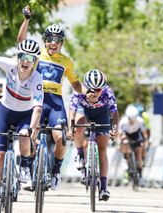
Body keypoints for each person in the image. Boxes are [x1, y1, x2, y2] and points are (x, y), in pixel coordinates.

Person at [17, 5, 85, 190]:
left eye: (57, 40)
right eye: (49, 39)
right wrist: (27, 20)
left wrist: (89, 92)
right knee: (32, 135)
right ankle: (28, 169)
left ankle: (55, 171)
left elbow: (76, 84)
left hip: (55, 102)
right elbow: (21, 40)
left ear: (61, 43)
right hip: (37, 99)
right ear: (45, 40)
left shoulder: (67, 62)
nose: (52, 43)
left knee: (61, 137)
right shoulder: (37, 53)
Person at [0, 29, 43, 213]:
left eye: (30, 59)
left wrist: (30, 130)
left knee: (24, 137)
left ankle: (25, 165)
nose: (25, 61)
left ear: (35, 62)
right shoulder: (10, 65)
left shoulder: (37, 79)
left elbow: (37, 108)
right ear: (18, 56)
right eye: (23, 56)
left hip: (25, 114)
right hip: (4, 111)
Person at [67, 69, 119, 201]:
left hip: (101, 114)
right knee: (78, 128)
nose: (95, 92)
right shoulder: (79, 90)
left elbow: (114, 112)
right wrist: (71, 127)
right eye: (92, 89)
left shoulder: (107, 92)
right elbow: (72, 110)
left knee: (102, 148)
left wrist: (115, 127)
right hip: (83, 111)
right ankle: (80, 153)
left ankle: (103, 187)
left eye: (98, 90)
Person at [119, 104, 148, 186]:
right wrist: (119, 143)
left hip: (136, 135)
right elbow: (119, 134)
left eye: (133, 119)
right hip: (126, 135)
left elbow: (144, 133)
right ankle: (126, 162)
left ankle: (141, 176)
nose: (131, 121)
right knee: (125, 143)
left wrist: (145, 142)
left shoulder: (140, 121)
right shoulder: (123, 122)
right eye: (129, 119)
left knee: (139, 151)